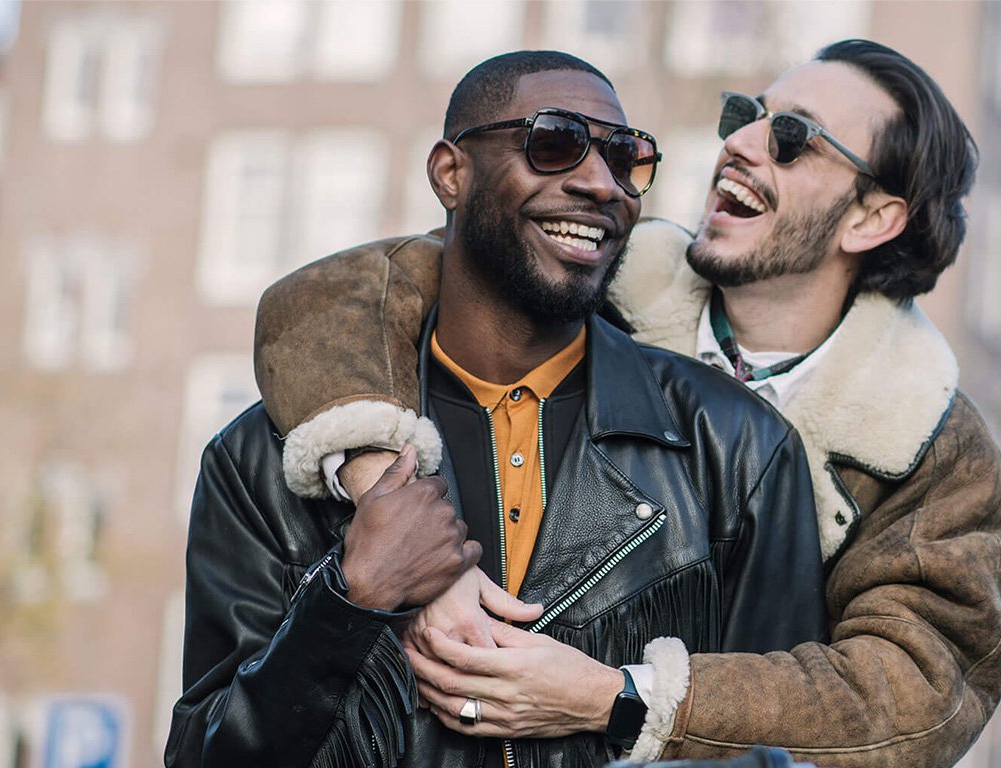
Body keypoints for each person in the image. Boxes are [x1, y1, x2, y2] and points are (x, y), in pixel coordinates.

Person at [252, 40, 1001, 766]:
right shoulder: (591, 280)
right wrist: (399, 506)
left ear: (872, 218)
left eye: (793, 138)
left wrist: (622, 697)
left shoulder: (928, 445)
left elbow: (917, 695)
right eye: (744, 116)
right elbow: (333, 300)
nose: (743, 143)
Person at [166, 51, 826, 768]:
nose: (600, 183)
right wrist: (350, 602)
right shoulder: (260, 459)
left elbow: (780, 747)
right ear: (451, 173)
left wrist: (615, 703)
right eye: (553, 142)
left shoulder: (736, 451)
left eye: (626, 158)